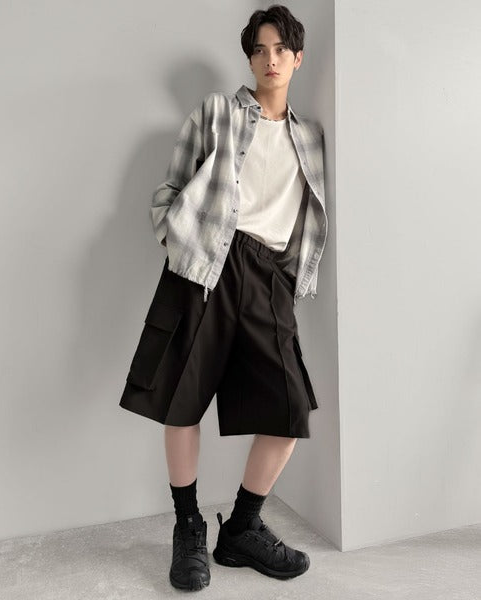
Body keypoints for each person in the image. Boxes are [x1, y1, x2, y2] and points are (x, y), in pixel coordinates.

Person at [119, 3, 327, 592]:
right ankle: (188, 528)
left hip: (269, 275)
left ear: (298, 57)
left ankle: (241, 528)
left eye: (280, 50)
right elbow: (169, 190)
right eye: (259, 50)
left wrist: (289, 277)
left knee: (289, 408)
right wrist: (181, 243)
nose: (270, 60)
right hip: (208, 263)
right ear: (250, 58)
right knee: (181, 399)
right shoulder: (216, 113)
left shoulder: (310, 138)